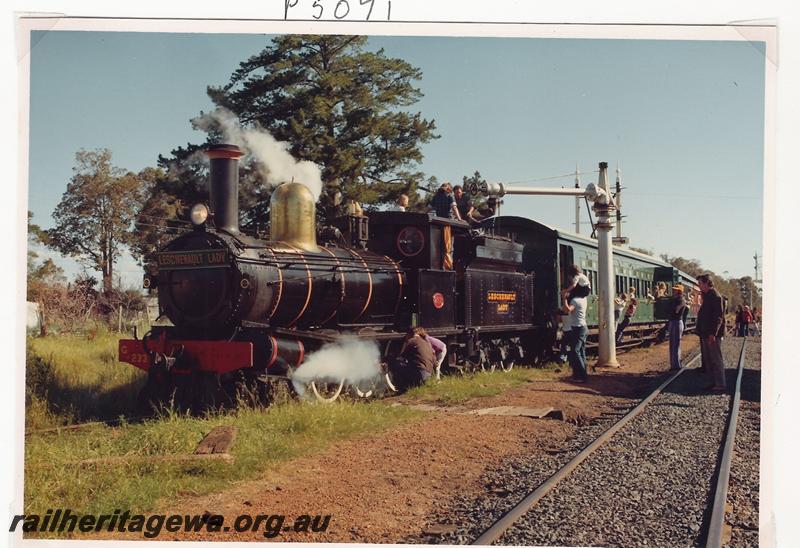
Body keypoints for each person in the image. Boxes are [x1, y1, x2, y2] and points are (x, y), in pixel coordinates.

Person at [696, 273, 726, 392]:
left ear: (706, 283)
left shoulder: (715, 296)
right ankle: (713, 382)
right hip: (706, 333)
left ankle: (720, 384)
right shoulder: (708, 295)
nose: (699, 286)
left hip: (712, 334)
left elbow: (718, 317)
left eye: (700, 284)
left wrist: (713, 333)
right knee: (709, 360)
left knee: (716, 359)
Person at [391, 327, 436, 392]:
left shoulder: (412, 340)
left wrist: (387, 359)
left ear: (408, 335)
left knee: (395, 364)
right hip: (428, 375)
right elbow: (434, 362)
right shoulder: (426, 342)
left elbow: (399, 355)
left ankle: (402, 388)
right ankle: (413, 385)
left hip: (420, 374)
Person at [561, 288, 589, 382]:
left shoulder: (575, 301)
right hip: (583, 327)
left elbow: (568, 310)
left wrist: (564, 299)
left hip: (578, 328)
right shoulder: (584, 299)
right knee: (581, 352)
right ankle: (580, 374)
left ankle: (582, 376)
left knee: (575, 351)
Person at [668, 284, 689, 370]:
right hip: (673, 322)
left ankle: (676, 366)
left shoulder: (681, 300)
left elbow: (676, 311)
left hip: (677, 322)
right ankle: (673, 365)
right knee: (672, 344)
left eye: (676, 290)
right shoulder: (675, 300)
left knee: (676, 345)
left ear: (679, 291)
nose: (674, 291)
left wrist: (670, 309)